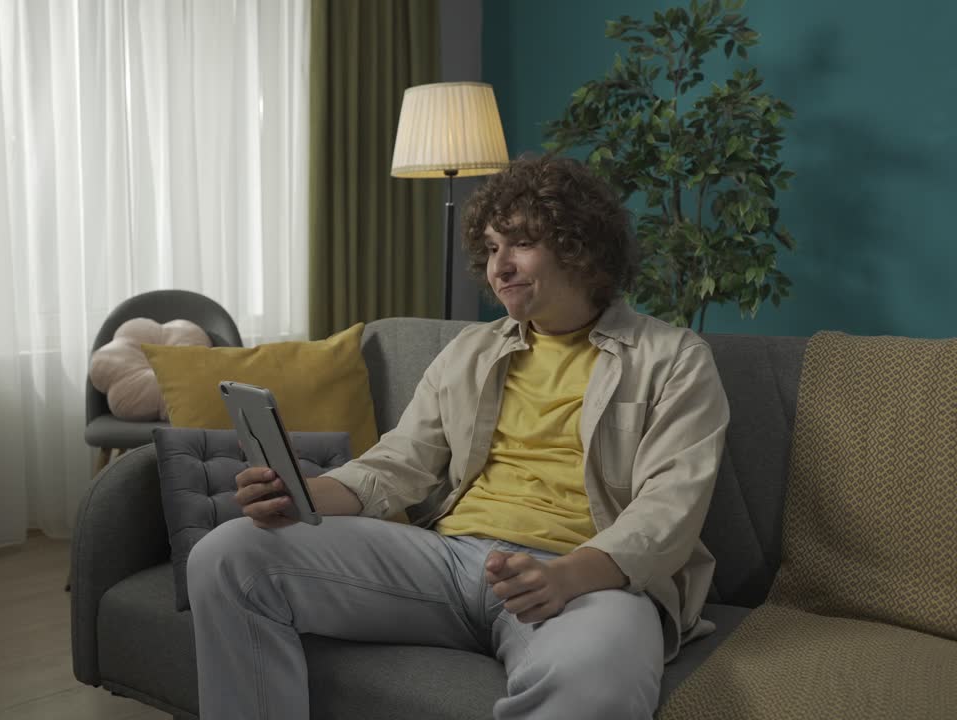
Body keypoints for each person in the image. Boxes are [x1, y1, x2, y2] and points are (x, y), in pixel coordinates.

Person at [186, 153, 730, 720]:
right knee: (228, 556)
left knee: (596, 684)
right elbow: (400, 462)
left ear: (580, 246)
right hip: (446, 561)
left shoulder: (673, 359)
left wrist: (567, 576)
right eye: (493, 248)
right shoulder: (472, 351)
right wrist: (301, 494)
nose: (500, 267)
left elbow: (670, 511)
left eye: (520, 243)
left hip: (588, 581)